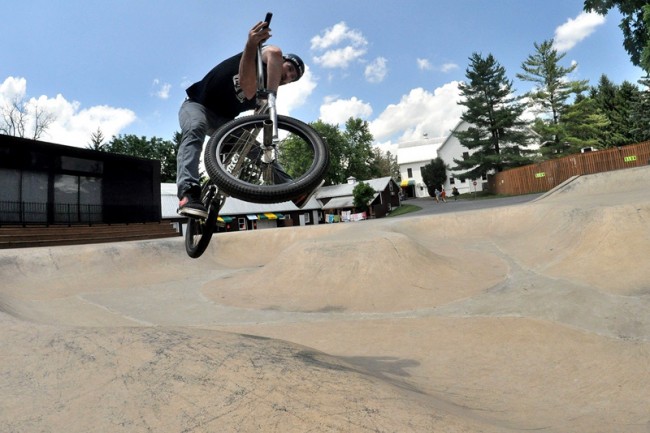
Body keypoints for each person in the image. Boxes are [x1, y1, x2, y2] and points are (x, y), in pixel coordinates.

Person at [176, 20, 305, 219]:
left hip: (223, 121)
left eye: (291, 78)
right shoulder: (262, 57)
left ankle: (291, 189)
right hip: (196, 105)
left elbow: (254, 118)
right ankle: (188, 192)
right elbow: (274, 53)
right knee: (196, 128)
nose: (287, 76)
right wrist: (252, 43)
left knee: (255, 149)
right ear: (279, 64)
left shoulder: (261, 97)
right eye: (288, 69)